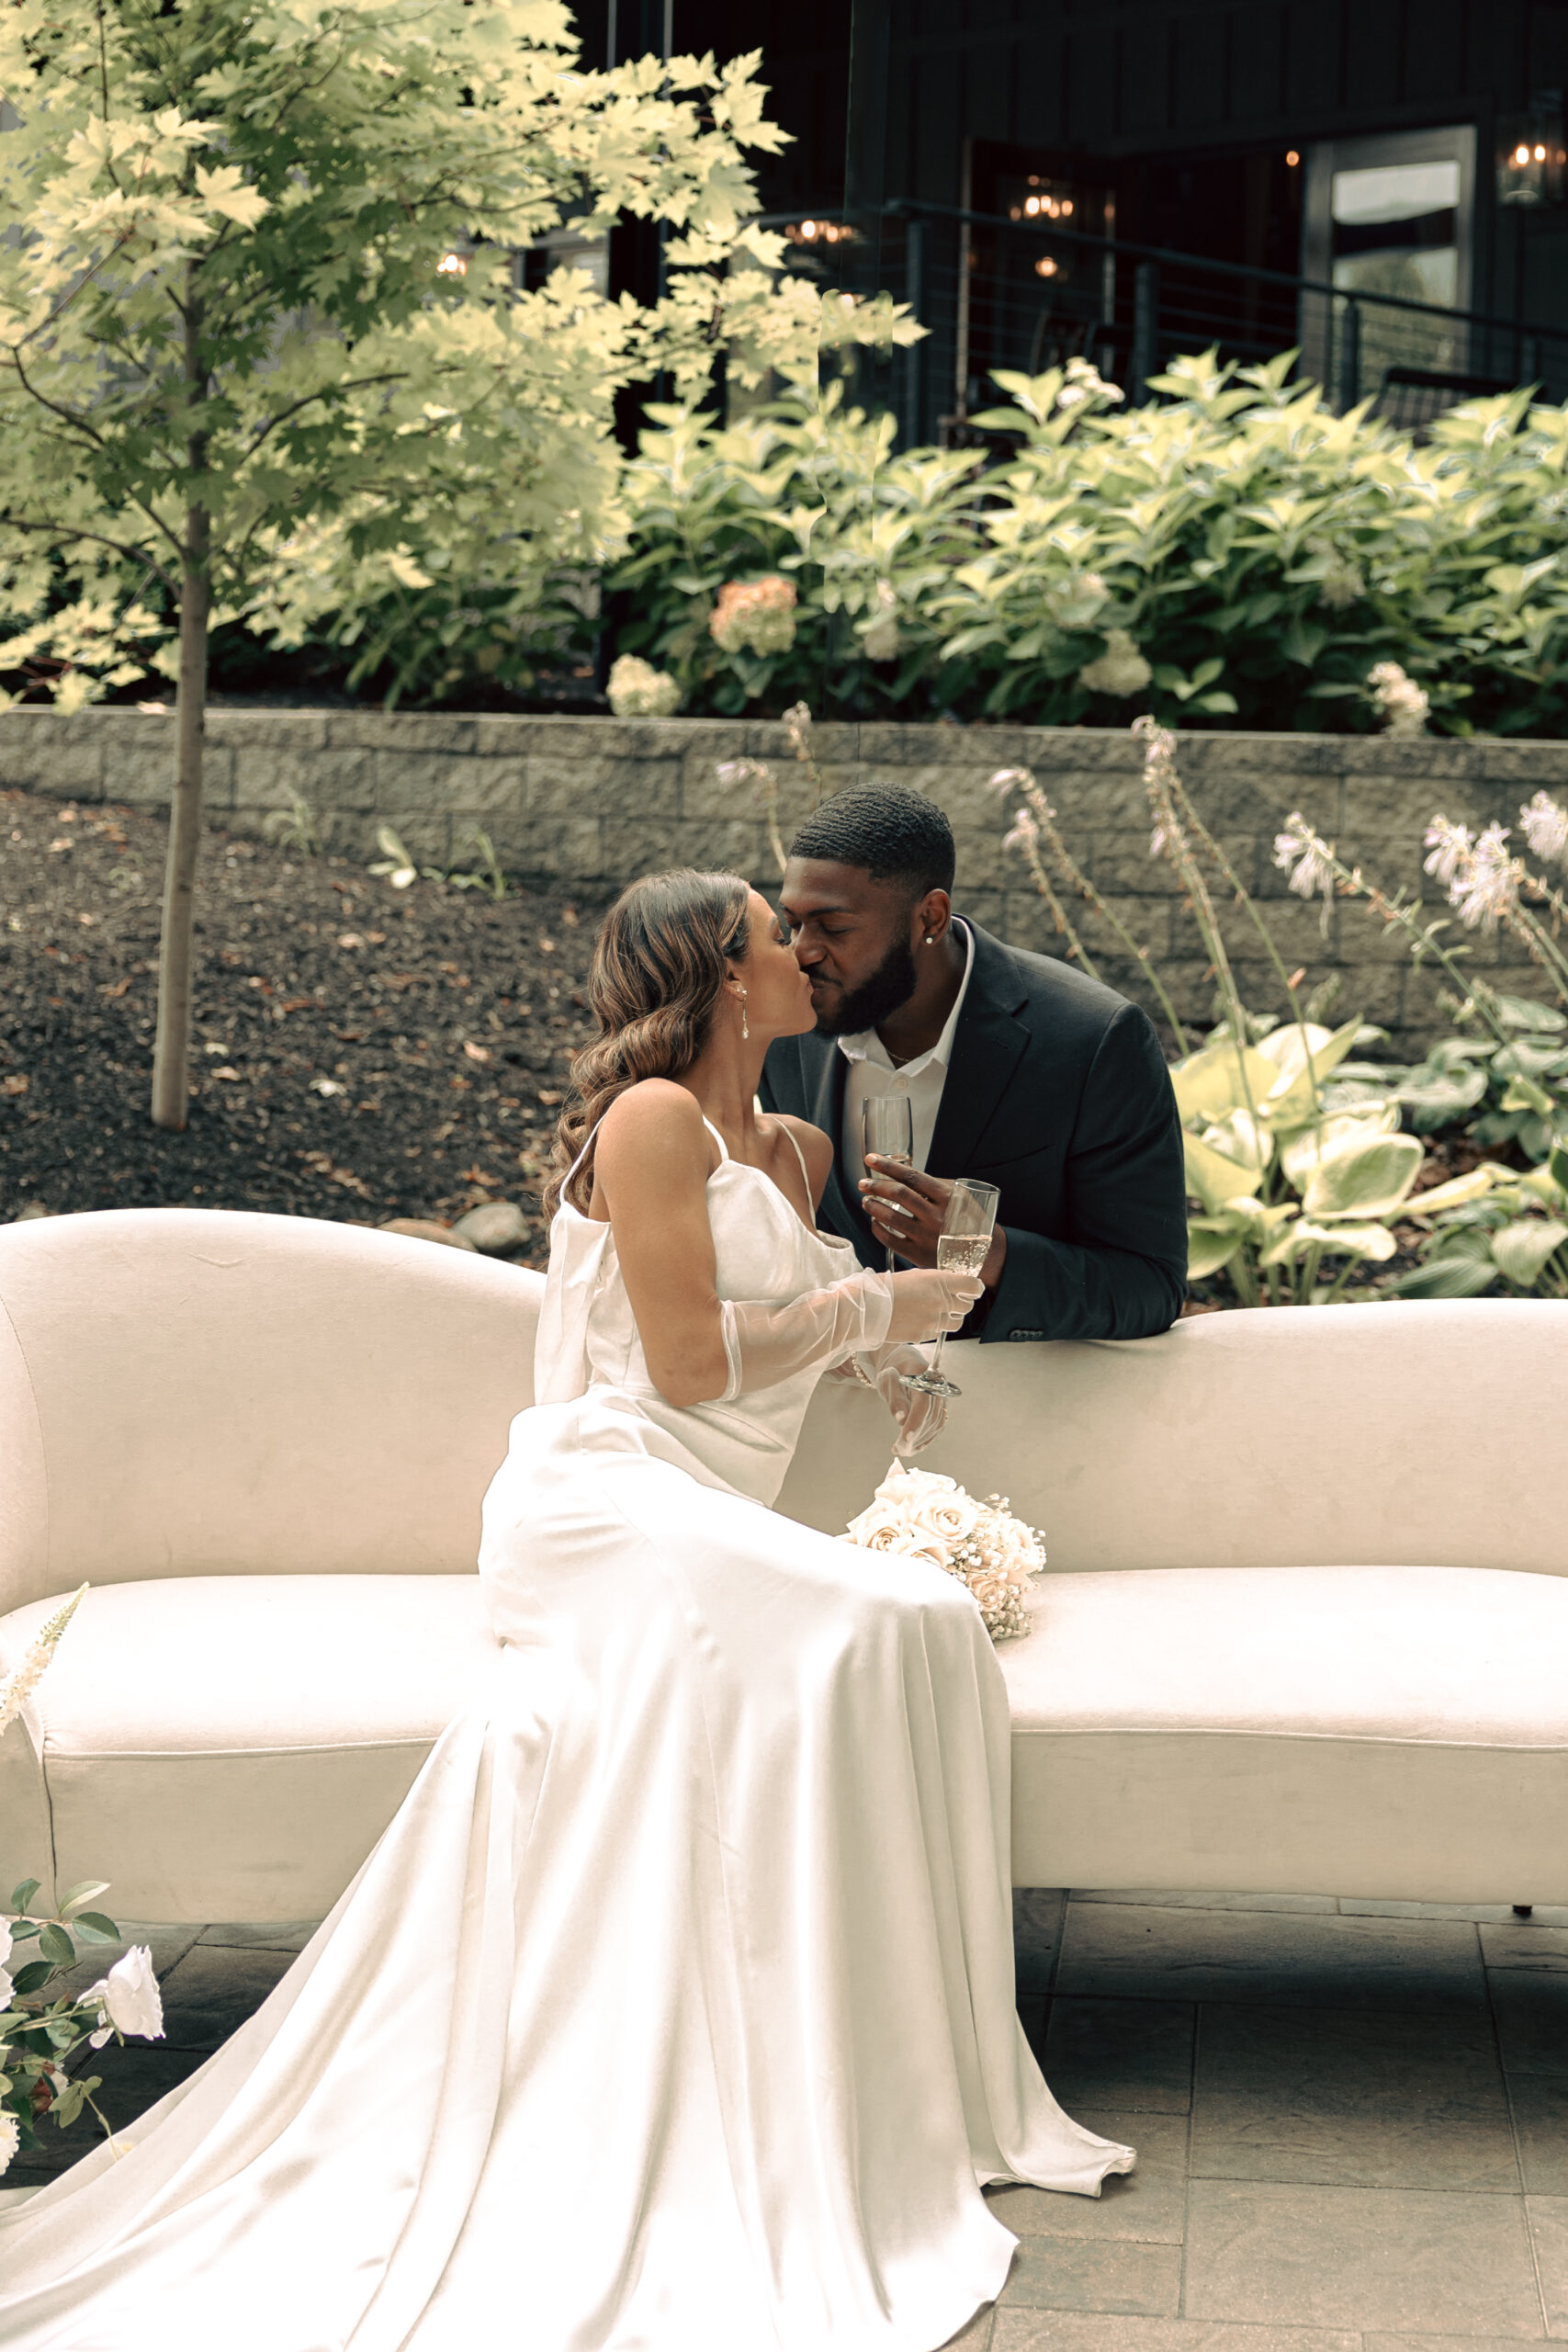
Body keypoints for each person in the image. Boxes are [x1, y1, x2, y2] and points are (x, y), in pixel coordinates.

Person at [0, 868, 1133, 2352]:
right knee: (886, 1625)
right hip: (602, 1498)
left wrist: (899, 1355)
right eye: (767, 932)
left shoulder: (793, 1150)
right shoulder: (647, 1122)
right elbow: (678, 1365)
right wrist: (874, 1312)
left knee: (910, 1623)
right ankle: (809, 2095)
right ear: (722, 978)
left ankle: (908, 2088)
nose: (799, 951)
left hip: (709, 1516)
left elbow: (802, 1341)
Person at [761, 783, 1189, 1342]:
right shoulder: (786, 1029)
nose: (802, 951)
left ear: (930, 918)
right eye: (791, 923)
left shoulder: (1093, 1040)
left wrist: (991, 1254)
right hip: (836, 1406)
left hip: (1018, 1409)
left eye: (833, 928)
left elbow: (1150, 1286)